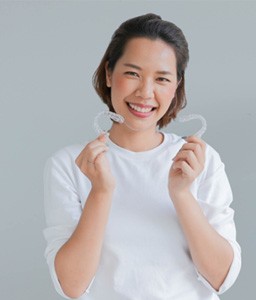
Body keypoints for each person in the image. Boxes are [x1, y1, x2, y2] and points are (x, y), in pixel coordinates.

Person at [43, 13, 241, 300]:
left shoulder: (198, 160)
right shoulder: (70, 164)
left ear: (176, 86)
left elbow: (222, 278)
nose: (145, 93)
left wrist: (182, 193)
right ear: (109, 73)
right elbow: (71, 286)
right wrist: (101, 192)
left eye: (162, 78)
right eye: (133, 73)